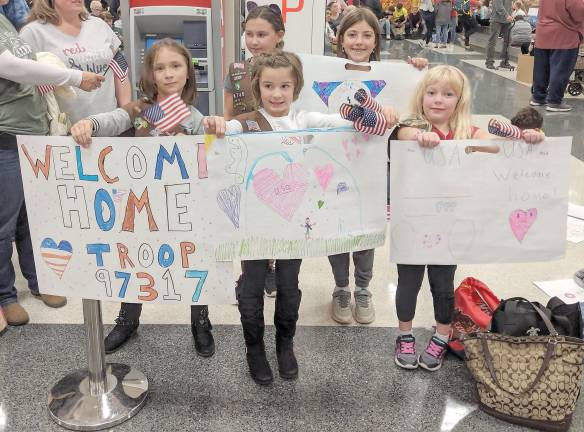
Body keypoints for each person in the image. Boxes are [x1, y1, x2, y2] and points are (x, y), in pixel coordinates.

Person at [205, 50, 397, 385]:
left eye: (284, 86)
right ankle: (254, 348)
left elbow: (345, 124)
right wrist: (217, 125)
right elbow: (222, 130)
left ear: (296, 87)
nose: (276, 93)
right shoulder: (246, 122)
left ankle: (284, 343)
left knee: (289, 285)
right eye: (268, 86)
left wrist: (378, 113)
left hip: (294, 223)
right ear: (257, 87)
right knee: (251, 285)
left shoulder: (305, 119)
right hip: (254, 224)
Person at [69, 39, 218, 357]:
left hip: (182, 207)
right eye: (159, 67)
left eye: (175, 66)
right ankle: (128, 319)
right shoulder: (140, 109)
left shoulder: (195, 119)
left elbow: (208, 162)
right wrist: (90, 124)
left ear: (188, 73)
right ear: (150, 74)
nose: (168, 74)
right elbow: (114, 119)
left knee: (193, 259)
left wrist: (207, 136)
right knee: (135, 258)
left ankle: (200, 320)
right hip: (142, 206)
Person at [392, 65, 544, 371]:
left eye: (448, 94)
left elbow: (496, 146)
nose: (438, 100)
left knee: (443, 284)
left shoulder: (466, 133)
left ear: (459, 100)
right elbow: (402, 133)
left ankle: (441, 335)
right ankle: (404, 334)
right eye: (432, 93)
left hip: (450, 227)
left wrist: (526, 138)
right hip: (412, 223)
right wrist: (420, 135)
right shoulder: (411, 126)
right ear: (421, 97)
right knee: (408, 282)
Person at [0, 5, 104, 326]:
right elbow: (11, 67)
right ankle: (5, 296)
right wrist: (74, 76)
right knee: (4, 222)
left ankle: (39, 280)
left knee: (32, 216)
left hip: (33, 132)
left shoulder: (4, 19)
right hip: (6, 135)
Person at [332, 7, 426, 325]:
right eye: (352, 34)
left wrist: (416, 72)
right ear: (340, 38)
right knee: (335, 229)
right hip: (331, 168)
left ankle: (362, 288)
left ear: (376, 40)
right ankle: (341, 288)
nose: (359, 41)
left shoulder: (391, 78)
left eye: (367, 35)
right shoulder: (324, 73)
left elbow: (411, 115)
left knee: (366, 230)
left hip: (372, 169)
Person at [224, 5, 286, 297]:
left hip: (276, 154)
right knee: (245, 213)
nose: (254, 40)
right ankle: (248, 272)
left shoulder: (288, 67)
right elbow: (228, 114)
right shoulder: (236, 71)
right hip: (243, 152)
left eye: (262, 34)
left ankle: (270, 265)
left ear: (278, 36)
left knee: (272, 210)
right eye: (249, 34)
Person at [21, 0, 132, 124]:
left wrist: (125, 111)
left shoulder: (99, 25)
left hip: (108, 125)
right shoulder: (33, 32)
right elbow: (26, 83)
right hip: (65, 133)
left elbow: (119, 70)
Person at [530, 0, 584, 112]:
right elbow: (578, 11)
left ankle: (538, 97)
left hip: (543, 32)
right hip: (564, 34)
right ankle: (554, 101)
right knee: (561, 70)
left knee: (541, 68)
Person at [485, 0, 513, 70]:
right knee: (493, 41)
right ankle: (489, 62)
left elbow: (509, 6)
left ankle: (504, 61)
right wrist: (507, 15)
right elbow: (498, 6)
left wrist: (510, 15)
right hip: (496, 20)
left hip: (507, 21)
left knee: (508, 41)